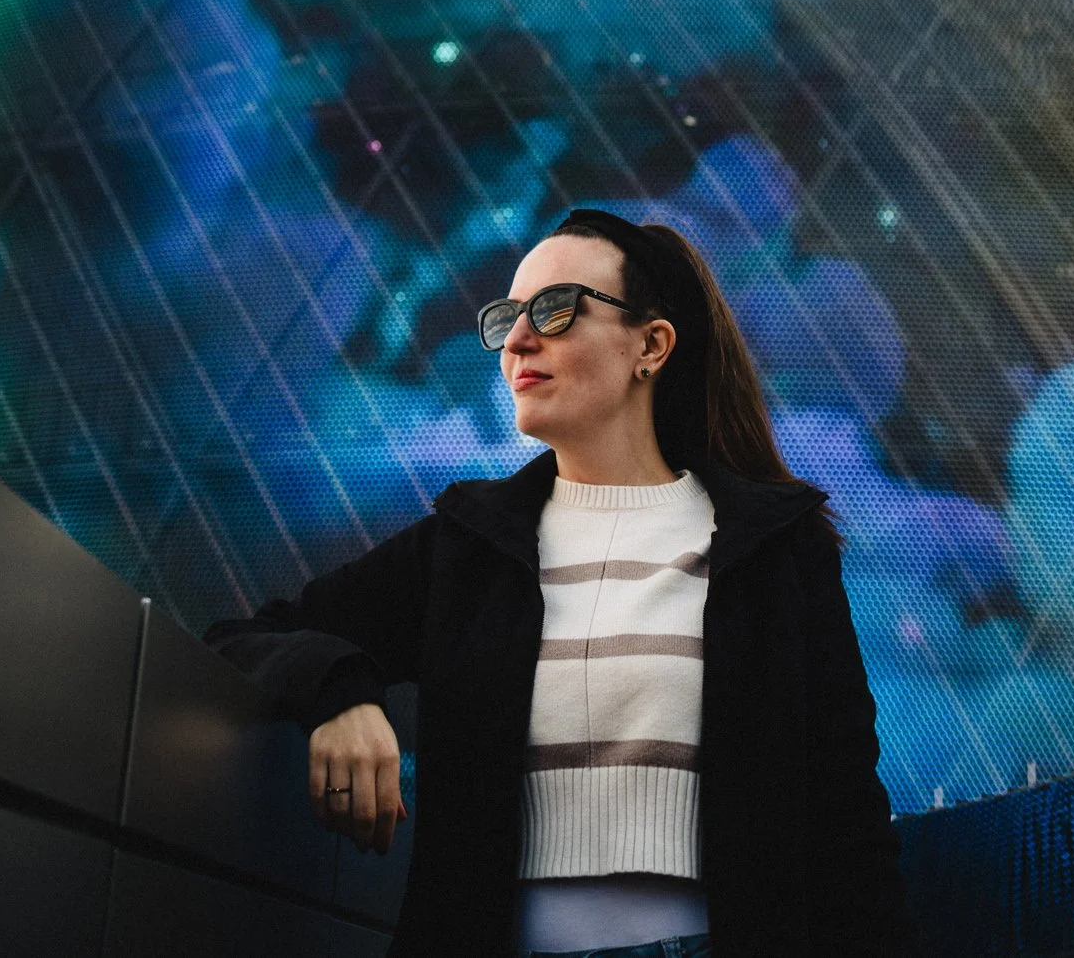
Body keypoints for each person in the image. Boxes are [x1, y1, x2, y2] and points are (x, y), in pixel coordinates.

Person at [206, 208, 916, 958]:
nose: (516, 339)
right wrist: (342, 689)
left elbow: (850, 831)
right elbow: (240, 638)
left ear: (651, 345)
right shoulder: (467, 544)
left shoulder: (775, 547)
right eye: (506, 317)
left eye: (555, 309)